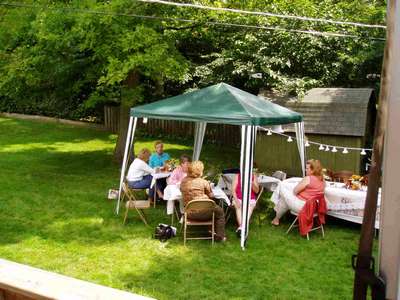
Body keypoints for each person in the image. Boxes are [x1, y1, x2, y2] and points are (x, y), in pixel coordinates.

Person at [180, 161, 226, 242]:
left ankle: (210, 230)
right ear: (200, 171)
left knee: (213, 208)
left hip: (189, 213)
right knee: (220, 211)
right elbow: (211, 195)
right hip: (205, 213)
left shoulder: (183, 181)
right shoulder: (203, 182)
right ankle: (220, 236)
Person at [271, 159, 325, 226]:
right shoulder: (322, 180)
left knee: (282, 188)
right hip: (314, 208)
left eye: (307, 168)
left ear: (313, 170)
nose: (305, 170)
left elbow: (295, 191)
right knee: (285, 198)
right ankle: (276, 219)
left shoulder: (308, 178)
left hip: (302, 206)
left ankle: (276, 217)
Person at [232, 172, 260, 237]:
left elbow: (256, 191)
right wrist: (236, 200)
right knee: (238, 206)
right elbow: (233, 190)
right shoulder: (237, 176)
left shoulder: (253, 176)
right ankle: (243, 228)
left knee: (250, 207)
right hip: (238, 198)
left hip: (250, 199)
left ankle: (241, 228)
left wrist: (252, 182)